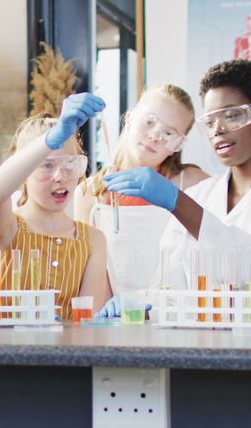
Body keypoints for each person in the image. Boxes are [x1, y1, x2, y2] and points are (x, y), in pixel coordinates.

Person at [100, 59, 251, 313]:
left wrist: (180, 203)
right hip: (203, 347)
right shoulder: (199, 194)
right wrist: (138, 301)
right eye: (209, 121)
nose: (217, 130)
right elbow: (169, 286)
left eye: (231, 116)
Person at [0, 94, 111, 318]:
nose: (60, 176)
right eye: (47, 165)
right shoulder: (8, 229)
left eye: (71, 163)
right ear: (23, 173)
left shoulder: (93, 240)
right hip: (3, 352)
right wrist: (50, 139)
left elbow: (87, 322)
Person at [74, 84, 209, 294]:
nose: (155, 136)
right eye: (149, 122)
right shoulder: (90, 194)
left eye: (169, 132)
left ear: (178, 145)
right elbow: (90, 272)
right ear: (129, 118)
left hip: (177, 317)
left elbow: (222, 243)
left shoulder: (194, 183)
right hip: (116, 319)